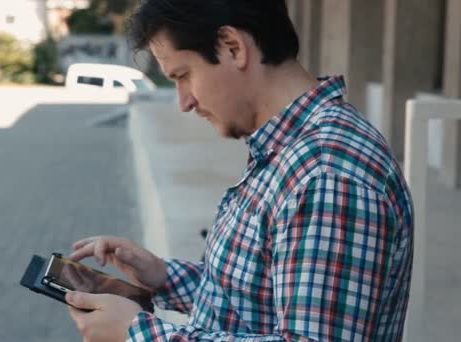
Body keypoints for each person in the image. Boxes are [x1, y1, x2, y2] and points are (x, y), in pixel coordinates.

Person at [65, 0, 414, 341]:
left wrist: (139, 333)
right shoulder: (290, 150)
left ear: (233, 48)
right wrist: (162, 276)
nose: (184, 102)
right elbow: (254, 303)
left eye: (183, 75)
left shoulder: (326, 175)